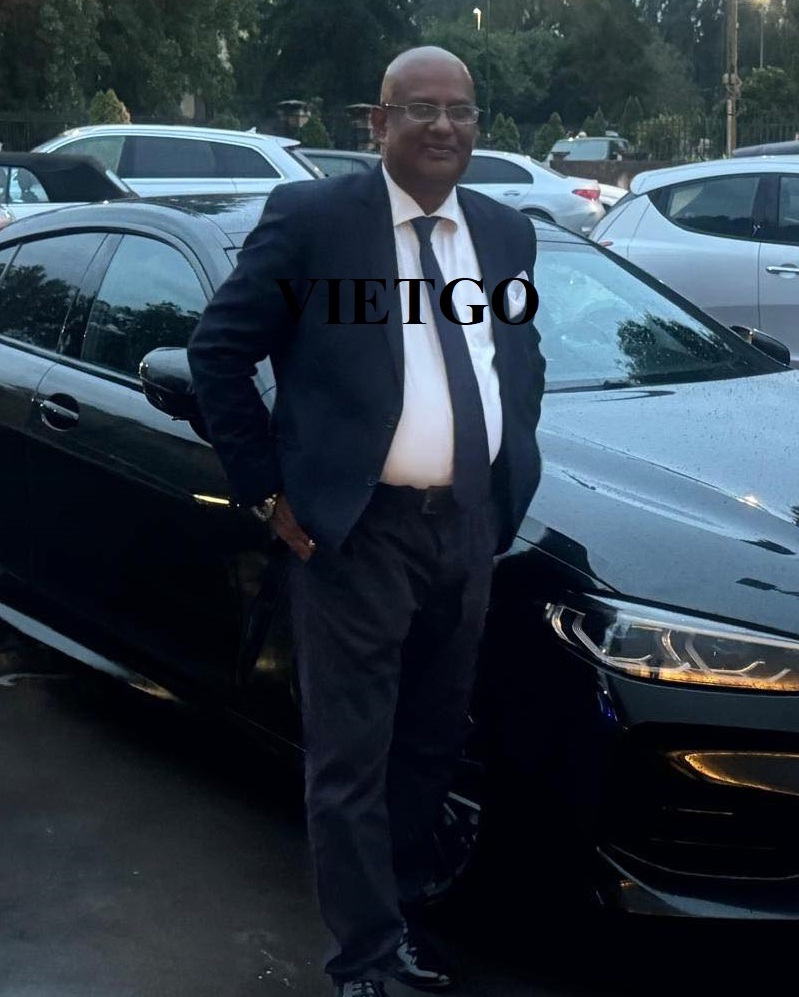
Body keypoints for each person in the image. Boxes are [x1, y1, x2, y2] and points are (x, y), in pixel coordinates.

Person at [187, 46, 544, 997]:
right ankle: (363, 960)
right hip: (355, 534)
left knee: (429, 744)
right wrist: (269, 492)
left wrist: (508, 473)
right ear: (378, 123)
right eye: (419, 108)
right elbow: (216, 354)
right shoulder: (313, 222)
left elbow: (518, 361)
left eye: (459, 109)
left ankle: (403, 921)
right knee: (350, 758)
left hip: (465, 528)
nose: (442, 126)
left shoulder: (506, 232)